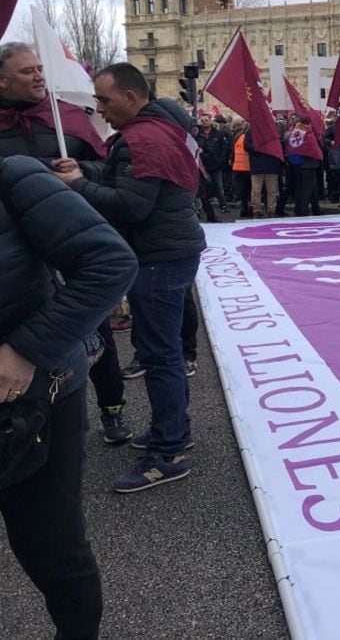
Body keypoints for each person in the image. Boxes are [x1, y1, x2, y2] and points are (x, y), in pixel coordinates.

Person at [0, 155, 138, 640]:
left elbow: (110, 261)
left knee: (52, 547)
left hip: (30, 403)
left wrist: (25, 350)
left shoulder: (13, 175)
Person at [53, 62, 206, 493]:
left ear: (131, 98)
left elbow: (130, 205)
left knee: (160, 355)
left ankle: (169, 453)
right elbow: (132, 179)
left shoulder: (145, 138)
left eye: (103, 99)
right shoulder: (159, 128)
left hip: (159, 257)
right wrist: (85, 170)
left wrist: (77, 185)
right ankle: (172, 429)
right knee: (165, 351)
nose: (98, 109)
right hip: (170, 250)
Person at [0, 42, 133, 445]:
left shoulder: (69, 118)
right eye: (27, 71)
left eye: (41, 68)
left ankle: (113, 410)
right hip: (20, 255)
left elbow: (106, 169)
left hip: (72, 241)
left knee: (95, 334)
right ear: (3, 80)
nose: (39, 75)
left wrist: (79, 170)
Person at [284, 115, 323, 217]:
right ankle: (302, 211)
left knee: (304, 188)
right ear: (308, 124)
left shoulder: (292, 133)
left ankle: (316, 209)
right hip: (309, 165)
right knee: (306, 189)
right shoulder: (308, 134)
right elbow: (314, 148)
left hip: (296, 165)